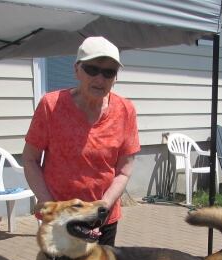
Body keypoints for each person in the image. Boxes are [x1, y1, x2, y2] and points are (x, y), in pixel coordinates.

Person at [22, 36, 140, 247]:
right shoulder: (51, 105)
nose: (100, 79)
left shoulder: (125, 110)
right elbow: (30, 159)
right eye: (92, 69)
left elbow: (125, 169)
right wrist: (49, 204)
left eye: (108, 72)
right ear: (77, 69)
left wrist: (103, 206)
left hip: (102, 219)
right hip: (59, 219)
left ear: (115, 77)